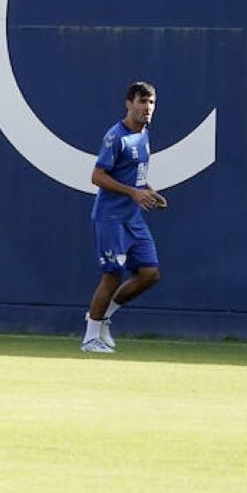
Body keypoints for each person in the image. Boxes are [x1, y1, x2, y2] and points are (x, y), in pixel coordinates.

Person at [84, 81, 165, 353]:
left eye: (151, 102)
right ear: (129, 103)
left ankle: (105, 316)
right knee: (112, 276)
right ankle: (90, 337)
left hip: (133, 219)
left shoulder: (144, 135)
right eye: (142, 101)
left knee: (150, 274)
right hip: (110, 217)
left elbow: (136, 175)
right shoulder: (116, 136)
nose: (147, 108)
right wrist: (133, 193)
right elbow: (97, 176)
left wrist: (150, 192)